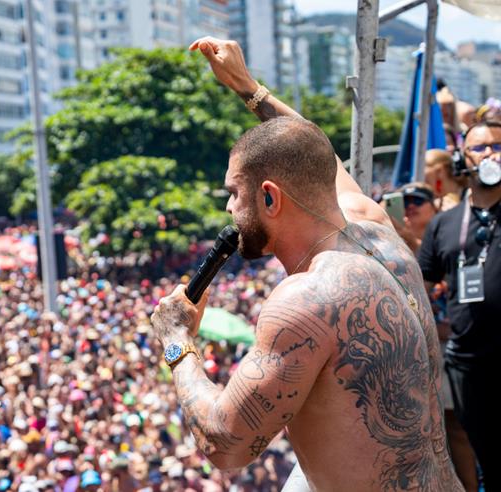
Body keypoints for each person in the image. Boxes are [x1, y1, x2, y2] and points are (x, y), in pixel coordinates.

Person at [150, 37, 462, 491]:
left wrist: (177, 340)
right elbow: (313, 153)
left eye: (233, 194)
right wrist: (246, 87)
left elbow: (225, 444)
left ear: (270, 197)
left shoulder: (307, 300)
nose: (228, 212)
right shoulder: (377, 233)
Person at [418, 120, 501, 490]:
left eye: (497, 146)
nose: (490, 154)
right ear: (462, 158)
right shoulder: (444, 225)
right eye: (480, 147)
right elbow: (422, 283)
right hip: (467, 362)